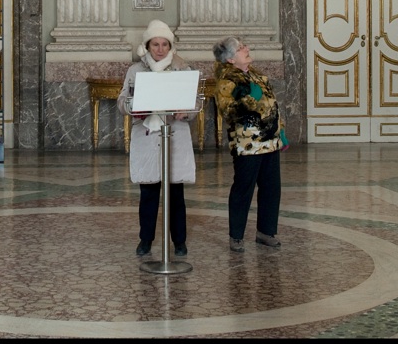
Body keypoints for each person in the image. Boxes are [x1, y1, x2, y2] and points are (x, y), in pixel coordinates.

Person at [117, 19, 197, 258]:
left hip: (174, 134)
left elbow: (194, 103)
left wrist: (186, 111)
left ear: (170, 46)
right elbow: (122, 101)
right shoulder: (135, 71)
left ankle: (179, 241)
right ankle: (146, 239)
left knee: (175, 192)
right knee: (149, 191)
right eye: (155, 44)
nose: (160, 49)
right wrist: (134, 107)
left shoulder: (182, 68)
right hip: (148, 134)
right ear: (147, 46)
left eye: (164, 44)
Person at [213, 36, 288, 252]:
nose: (246, 49)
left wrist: (280, 132)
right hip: (248, 145)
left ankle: (266, 231)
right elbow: (229, 112)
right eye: (240, 48)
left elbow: (272, 105)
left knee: (271, 188)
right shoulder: (227, 81)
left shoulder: (256, 75)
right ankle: (236, 236)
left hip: (269, 140)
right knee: (243, 189)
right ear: (230, 59)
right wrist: (250, 99)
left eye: (244, 45)